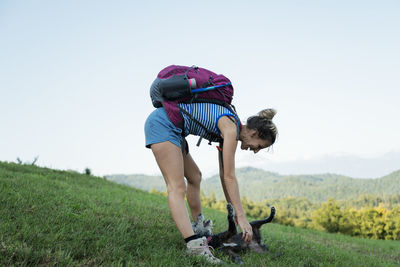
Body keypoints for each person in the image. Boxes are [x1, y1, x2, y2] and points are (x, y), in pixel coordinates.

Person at [144, 80, 278, 264]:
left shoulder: (231, 127)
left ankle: (198, 227)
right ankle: (194, 246)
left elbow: (225, 177)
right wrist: (242, 217)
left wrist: (235, 213)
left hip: (174, 129)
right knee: (176, 187)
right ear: (254, 133)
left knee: (195, 177)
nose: (255, 151)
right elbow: (230, 176)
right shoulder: (231, 129)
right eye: (259, 147)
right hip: (163, 124)